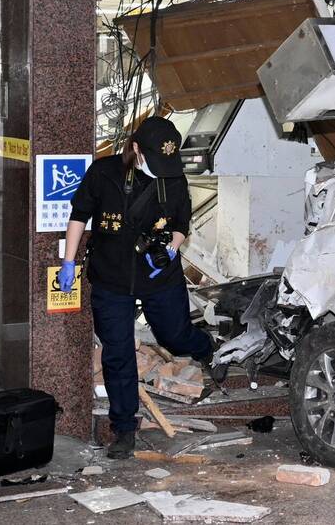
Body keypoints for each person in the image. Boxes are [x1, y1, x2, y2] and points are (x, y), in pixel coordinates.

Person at [57, 117, 227, 459]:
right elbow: (79, 215)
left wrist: (171, 248)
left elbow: (181, 223)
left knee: (173, 335)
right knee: (117, 351)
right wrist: (69, 262)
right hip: (111, 276)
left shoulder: (173, 179)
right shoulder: (104, 173)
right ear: (136, 149)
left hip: (157, 276)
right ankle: (123, 428)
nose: (163, 169)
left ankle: (206, 347)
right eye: (155, 160)